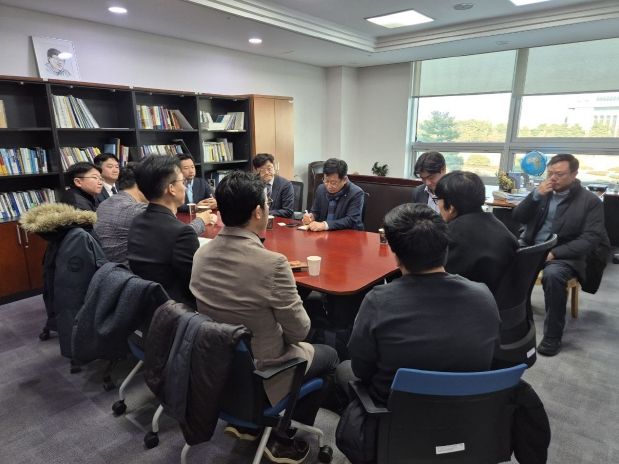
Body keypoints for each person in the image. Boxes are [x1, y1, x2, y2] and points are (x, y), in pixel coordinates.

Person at [190, 171, 339, 464]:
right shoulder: (272, 264)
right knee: (330, 356)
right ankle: (282, 437)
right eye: (267, 204)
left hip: (220, 362)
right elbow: (299, 332)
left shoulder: (201, 254)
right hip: (265, 368)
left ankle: (248, 424)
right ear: (258, 211)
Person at [335, 203, 500, 463]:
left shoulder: (378, 301)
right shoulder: (484, 296)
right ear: (445, 247)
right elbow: (490, 356)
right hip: (465, 416)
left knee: (342, 369)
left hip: (395, 420)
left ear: (395, 254)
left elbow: (362, 369)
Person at [512, 154, 609, 356]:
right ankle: (511, 317)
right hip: (532, 245)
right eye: (550, 173)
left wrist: (554, 253)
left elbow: (590, 238)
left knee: (553, 276)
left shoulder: (590, 201)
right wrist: (535, 196)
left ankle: (552, 336)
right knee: (501, 259)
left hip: (564, 253)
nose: (553, 178)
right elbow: (518, 217)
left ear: (574, 174)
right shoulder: (542, 193)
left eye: (559, 174)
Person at [127, 155, 216, 307]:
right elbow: (197, 285)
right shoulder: (182, 233)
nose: (186, 187)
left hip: (147, 301)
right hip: (177, 309)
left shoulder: (137, 221)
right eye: (182, 182)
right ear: (171, 189)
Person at [94, 163, 208, 265]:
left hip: (107, 270)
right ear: (141, 184)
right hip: (130, 272)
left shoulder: (105, 203)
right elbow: (180, 237)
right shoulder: (138, 210)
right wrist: (201, 220)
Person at [435, 171, 518, 294]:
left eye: (438, 199)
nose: (438, 205)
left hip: (466, 299)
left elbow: (439, 278)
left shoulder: (452, 233)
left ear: (451, 207)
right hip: (498, 297)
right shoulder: (500, 226)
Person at [303, 158, 364, 231]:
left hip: (347, 234)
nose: (329, 186)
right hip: (324, 234)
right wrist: (311, 216)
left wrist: (325, 225)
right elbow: (316, 211)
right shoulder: (321, 189)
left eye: (333, 183)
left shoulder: (356, 193)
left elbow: (351, 220)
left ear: (344, 180)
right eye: (326, 181)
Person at [253, 153, 294, 218]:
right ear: (257, 171)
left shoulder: (286, 185)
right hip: (258, 220)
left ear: (274, 167)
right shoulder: (254, 184)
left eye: (269, 168)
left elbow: (288, 211)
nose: (266, 172)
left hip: (278, 220)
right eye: (262, 170)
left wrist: (265, 213)